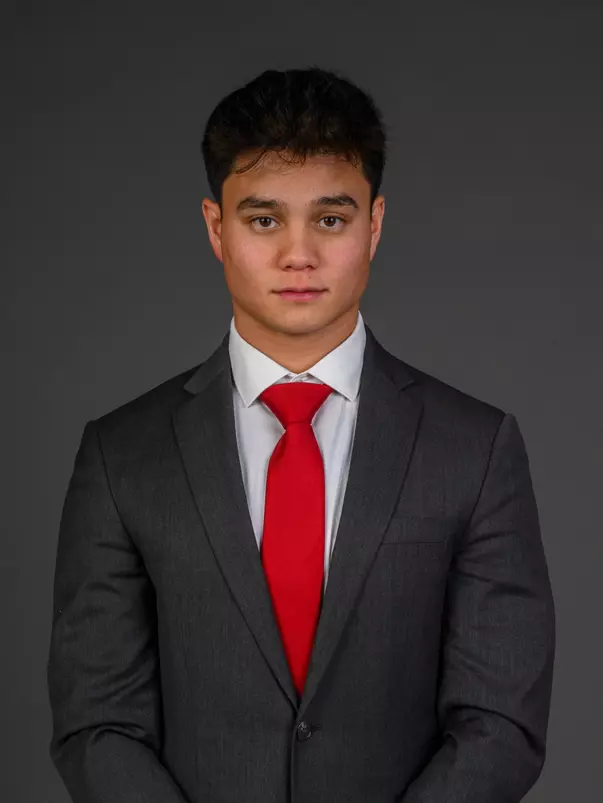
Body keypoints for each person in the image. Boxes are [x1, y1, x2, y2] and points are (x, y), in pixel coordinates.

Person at [46, 66, 556, 803]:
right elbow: (97, 724)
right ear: (216, 229)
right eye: (262, 219)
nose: (297, 254)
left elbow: (500, 721)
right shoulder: (122, 455)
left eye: (330, 218)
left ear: (373, 225)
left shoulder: (473, 448)